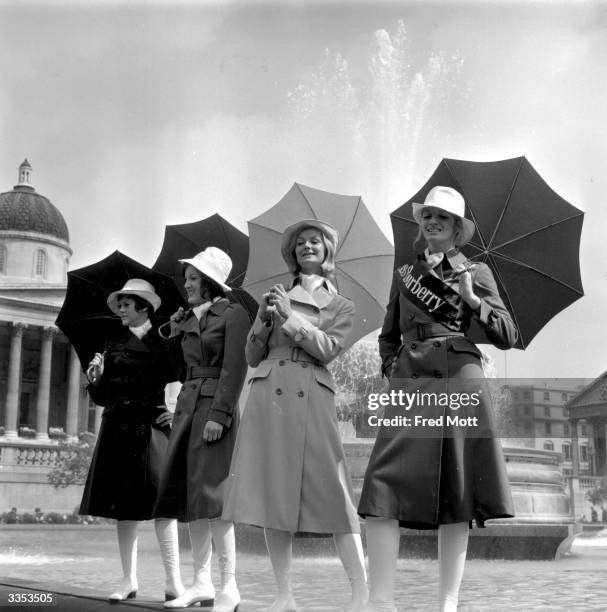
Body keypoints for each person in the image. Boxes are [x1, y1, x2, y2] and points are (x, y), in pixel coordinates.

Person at [357, 186, 518, 612]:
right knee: (382, 485)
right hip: (412, 378)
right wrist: (392, 367)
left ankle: (448, 604)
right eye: (427, 216)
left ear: (457, 229)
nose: (432, 223)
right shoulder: (405, 274)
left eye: (441, 218)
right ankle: (381, 601)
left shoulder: (476, 271)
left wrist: (470, 301)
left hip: (458, 375)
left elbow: (507, 334)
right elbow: (389, 334)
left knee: (457, 489)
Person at [223, 220, 368, 612]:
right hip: (269, 396)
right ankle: (284, 595)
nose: (307, 247)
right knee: (273, 498)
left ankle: (361, 592)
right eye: (300, 243)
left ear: (327, 252)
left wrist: (289, 316)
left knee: (336, 497)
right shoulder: (275, 297)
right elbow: (252, 357)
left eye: (315, 242)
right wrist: (265, 319)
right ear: (292, 253)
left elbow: (329, 349)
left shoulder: (341, 304)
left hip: (312, 398)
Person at [153, 247, 249, 612]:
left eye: (193, 279)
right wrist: (174, 333)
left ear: (210, 282)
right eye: (187, 279)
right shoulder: (189, 318)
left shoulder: (233, 314)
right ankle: (201, 583)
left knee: (213, 499)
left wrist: (220, 415)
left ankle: (230, 587)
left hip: (211, 411)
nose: (187, 285)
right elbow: (179, 372)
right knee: (190, 500)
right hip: (188, 411)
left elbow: (234, 368)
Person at [79, 278, 184, 603]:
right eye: (120, 304)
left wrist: (178, 411)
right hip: (117, 429)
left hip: (151, 429)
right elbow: (102, 395)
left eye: (125, 304)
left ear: (143, 307)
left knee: (162, 506)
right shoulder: (112, 343)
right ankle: (128, 580)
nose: (120, 309)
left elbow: (185, 373)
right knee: (123, 509)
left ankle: (174, 583)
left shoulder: (165, 340)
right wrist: (94, 379)